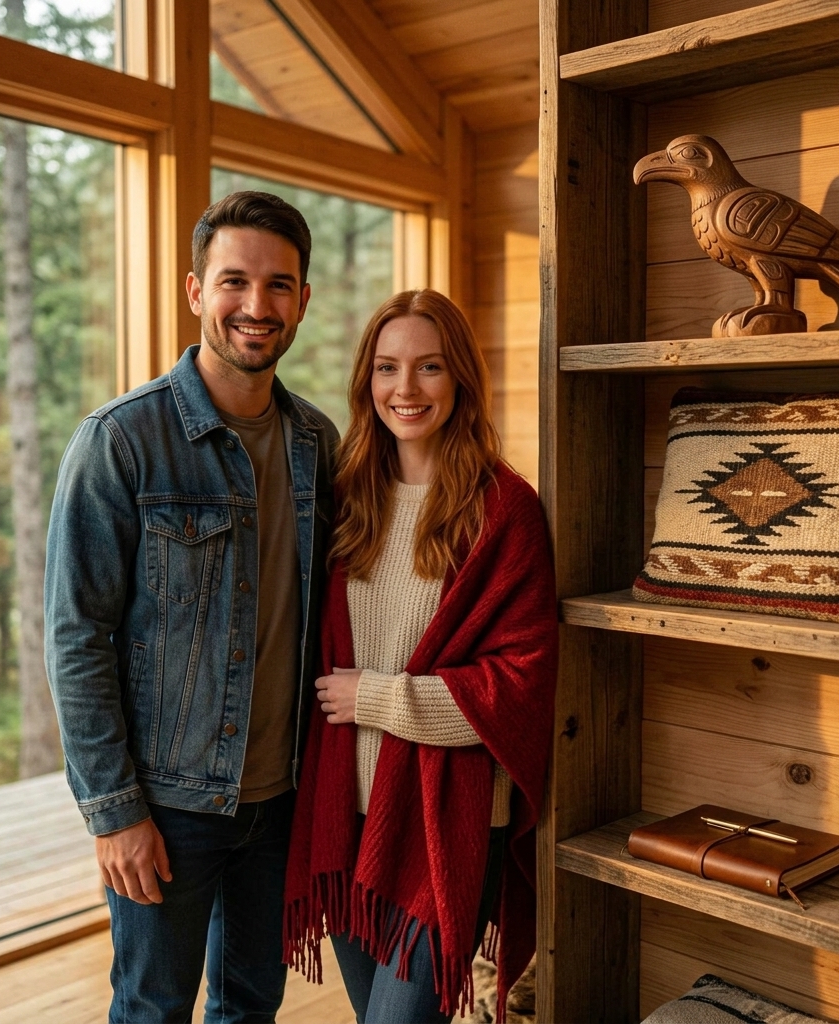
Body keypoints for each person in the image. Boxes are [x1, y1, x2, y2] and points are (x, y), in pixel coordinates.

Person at [45, 191, 339, 1024]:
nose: (257, 306)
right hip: (169, 806)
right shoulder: (120, 441)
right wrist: (114, 813)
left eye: (280, 285)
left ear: (303, 301)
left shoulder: (320, 443)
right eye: (234, 281)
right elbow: (76, 638)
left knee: (252, 1005)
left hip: (281, 797)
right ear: (194, 291)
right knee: (152, 1007)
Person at [282, 289, 557, 1024]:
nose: (405, 390)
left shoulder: (504, 510)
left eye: (429, 367)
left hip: (448, 817)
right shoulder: (345, 499)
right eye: (387, 368)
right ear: (366, 381)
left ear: (460, 377)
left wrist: (376, 697)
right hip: (346, 818)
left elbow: (521, 685)